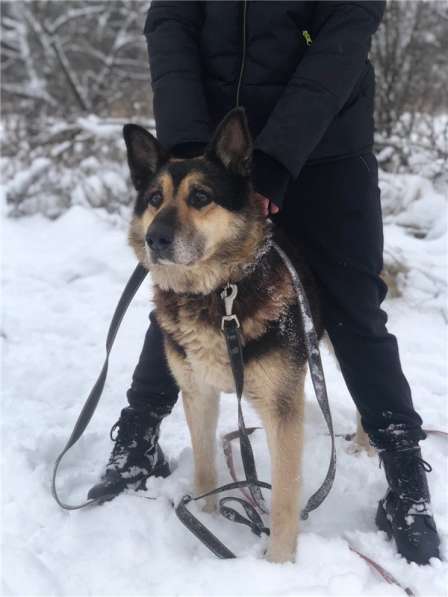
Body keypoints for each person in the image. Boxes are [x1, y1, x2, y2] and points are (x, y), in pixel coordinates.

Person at [88, 1, 440, 565]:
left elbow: (345, 32)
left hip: (328, 150)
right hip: (214, 151)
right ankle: (138, 436)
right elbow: (171, 21)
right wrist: (184, 148)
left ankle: (404, 477)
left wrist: (276, 157)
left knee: (354, 311)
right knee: (187, 293)